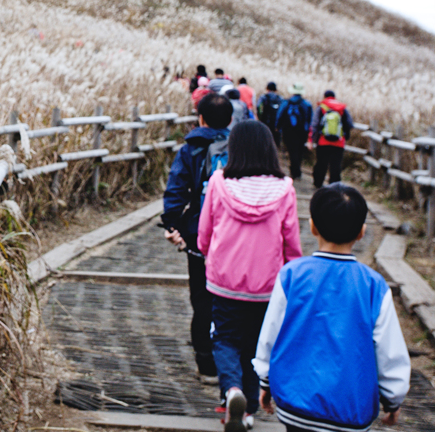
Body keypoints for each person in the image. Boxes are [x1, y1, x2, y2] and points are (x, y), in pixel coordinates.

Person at [253, 185, 409, 431]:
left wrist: (264, 382)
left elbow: (270, 333)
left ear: (312, 227)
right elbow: (389, 351)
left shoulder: (292, 275)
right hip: (350, 411)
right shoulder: (373, 286)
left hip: (296, 405)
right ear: (361, 232)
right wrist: (393, 400)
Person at [198, 120, 302, 430]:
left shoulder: (218, 182)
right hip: (267, 285)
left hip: (224, 280)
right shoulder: (285, 188)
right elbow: (291, 241)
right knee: (258, 345)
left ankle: (231, 391)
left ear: (235, 149)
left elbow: (205, 231)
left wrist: (208, 254)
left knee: (225, 338)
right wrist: (291, 277)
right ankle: (248, 411)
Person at [162, 92, 233, 382]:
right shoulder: (240, 146)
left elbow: (176, 189)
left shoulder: (190, 148)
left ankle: (206, 365)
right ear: (231, 119)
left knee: (202, 300)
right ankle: (230, 358)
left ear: (200, 117)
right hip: (234, 236)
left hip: (198, 236)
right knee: (230, 299)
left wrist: (172, 224)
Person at [310, 90, 354, 188]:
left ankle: (318, 184)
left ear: (325, 96)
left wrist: (313, 139)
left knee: (321, 163)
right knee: (335, 166)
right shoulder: (342, 108)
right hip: (339, 143)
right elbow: (350, 124)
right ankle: (334, 186)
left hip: (323, 142)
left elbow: (314, 124)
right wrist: (344, 135)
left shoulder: (321, 107)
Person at [276, 85, 312, 181]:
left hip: (288, 131)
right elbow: (310, 119)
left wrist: (277, 126)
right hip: (302, 132)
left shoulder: (286, 102)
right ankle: (297, 171)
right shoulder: (306, 104)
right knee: (299, 151)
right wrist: (308, 131)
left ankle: (294, 172)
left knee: (292, 151)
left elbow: (280, 114)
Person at [256, 83, 284, 147]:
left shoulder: (263, 97)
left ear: (267, 88)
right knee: (276, 143)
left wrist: (260, 118)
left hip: (266, 123)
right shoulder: (280, 98)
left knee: (265, 141)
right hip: (276, 125)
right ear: (275, 89)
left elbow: (258, 107)